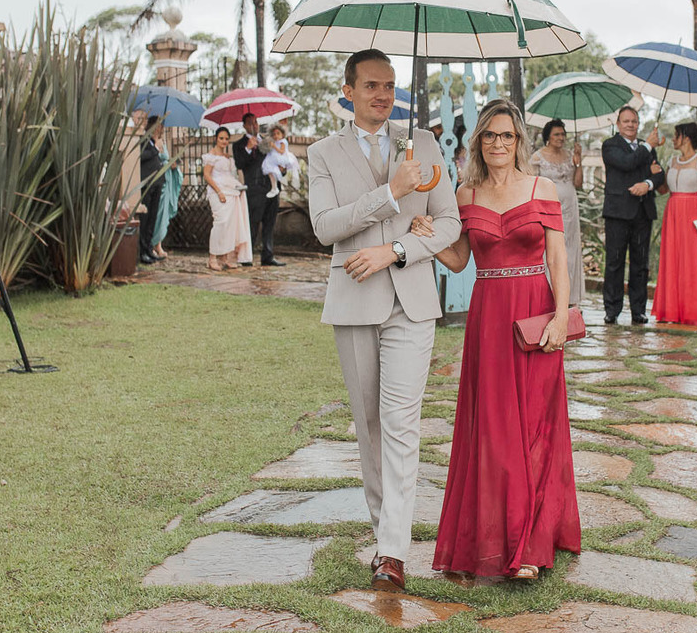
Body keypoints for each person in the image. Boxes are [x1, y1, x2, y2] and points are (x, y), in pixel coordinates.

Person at [306, 48, 461, 592]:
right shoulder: (322, 153)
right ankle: (383, 533)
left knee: (400, 423)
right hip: (353, 302)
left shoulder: (422, 144)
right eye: (371, 85)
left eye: (390, 86)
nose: (382, 95)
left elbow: (448, 225)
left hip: (411, 301)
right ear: (348, 91)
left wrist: (396, 249)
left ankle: (393, 553)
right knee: (369, 426)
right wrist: (391, 192)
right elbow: (325, 227)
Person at [409, 99, 581, 581]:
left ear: (518, 141)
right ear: (478, 142)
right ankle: (502, 538)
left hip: (535, 310)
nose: (499, 143)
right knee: (494, 429)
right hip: (488, 320)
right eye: (490, 136)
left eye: (507, 136)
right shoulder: (465, 195)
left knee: (534, 427)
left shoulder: (541, 187)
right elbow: (461, 259)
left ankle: (529, 543)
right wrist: (427, 236)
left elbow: (558, 260)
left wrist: (560, 320)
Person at [601, 106, 666, 324]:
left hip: (642, 212)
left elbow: (659, 174)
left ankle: (638, 310)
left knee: (640, 264)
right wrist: (648, 145)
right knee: (615, 262)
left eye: (634, 121)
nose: (631, 125)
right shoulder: (610, 146)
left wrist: (647, 184)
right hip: (618, 214)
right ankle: (612, 309)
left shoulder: (648, 149)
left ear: (639, 124)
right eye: (626, 121)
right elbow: (627, 163)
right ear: (618, 124)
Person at [652, 121, 697, 325]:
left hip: (693, 212)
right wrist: (657, 173)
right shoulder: (672, 161)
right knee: (672, 259)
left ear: (685, 138)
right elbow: (664, 190)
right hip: (673, 212)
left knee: (691, 261)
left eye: (675, 135)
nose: (672, 139)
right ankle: (671, 309)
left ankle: (693, 311)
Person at [529, 118, 584, 306]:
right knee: (550, 247)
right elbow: (531, 184)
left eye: (563, 134)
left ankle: (570, 295)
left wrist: (579, 162)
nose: (561, 138)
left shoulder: (570, 155)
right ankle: (549, 293)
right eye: (557, 134)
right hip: (548, 207)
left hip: (570, 208)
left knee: (571, 248)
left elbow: (578, 183)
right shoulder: (538, 157)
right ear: (548, 137)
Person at [232, 112, 284, 267]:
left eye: (255, 122)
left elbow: (278, 159)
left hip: (272, 188)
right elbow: (240, 164)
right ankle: (247, 256)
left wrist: (282, 168)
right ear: (244, 126)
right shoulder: (239, 145)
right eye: (250, 123)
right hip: (255, 189)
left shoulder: (268, 141)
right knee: (253, 223)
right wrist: (248, 149)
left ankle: (267, 256)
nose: (253, 125)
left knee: (270, 223)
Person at [201, 127, 252, 271]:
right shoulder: (211, 155)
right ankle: (212, 258)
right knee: (221, 222)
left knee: (230, 224)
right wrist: (219, 192)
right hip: (218, 191)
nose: (224, 141)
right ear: (216, 139)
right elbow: (207, 175)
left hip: (231, 191)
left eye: (226, 138)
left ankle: (225, 257)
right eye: (221, 138)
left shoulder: (227, 156)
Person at [137, 116, 166, 265]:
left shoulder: (158, 143)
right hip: (146, 183)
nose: (159, 129)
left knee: (153, 217)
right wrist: (155, 148)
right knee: (145, 217)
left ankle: (149, 248)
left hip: (157, 182)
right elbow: (140, 157)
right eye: (156, 126)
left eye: (161, 126)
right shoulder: (143, 140)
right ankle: (142, 251)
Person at [262, 126, 300, 198]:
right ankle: (274, 187)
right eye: (274, 134)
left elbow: (281, 152)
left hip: (281, 157)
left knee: (270, 166)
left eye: (278, 133)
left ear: (282, 134)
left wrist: (274, 146)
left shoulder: (282, 142)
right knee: (270, 170)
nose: (276, 136)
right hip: (274, 157)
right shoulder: (274, 142)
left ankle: (278, 185)